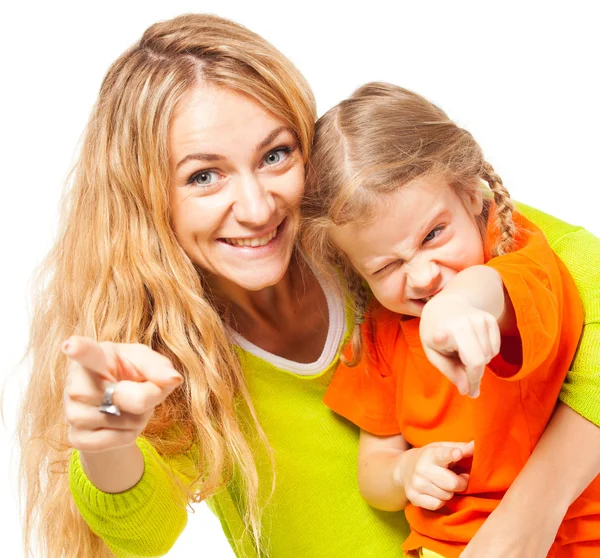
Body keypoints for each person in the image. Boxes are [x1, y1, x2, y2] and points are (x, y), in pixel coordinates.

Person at [16, 13, 600, 558]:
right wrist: (106, 446)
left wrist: (533, 512)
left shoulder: (372, 234)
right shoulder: (169, 348)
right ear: (144, 200)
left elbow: (577, 278)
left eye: (275, 154)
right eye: (203, 175)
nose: (255, 206)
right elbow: (145, 535)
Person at [300, 81, 600, 557]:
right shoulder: (378, 333)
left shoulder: (523, 261)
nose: (421, 277)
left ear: (470, 192)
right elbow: (375, 467)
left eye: (433, 235)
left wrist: (456, 306)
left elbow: (494, 294)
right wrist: (405, 472)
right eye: (386, 266)